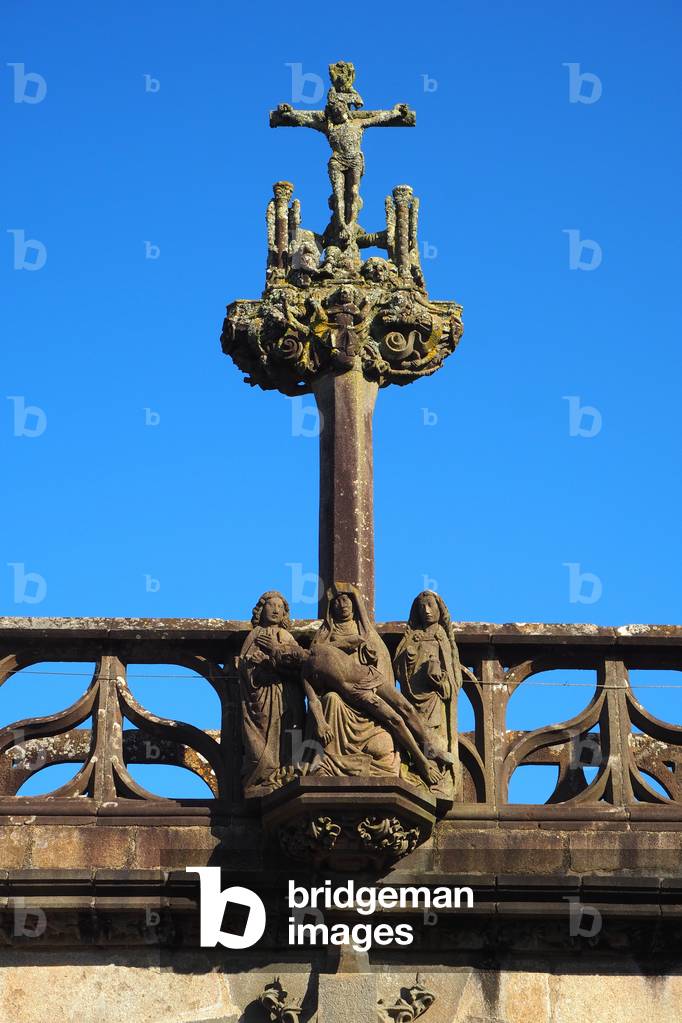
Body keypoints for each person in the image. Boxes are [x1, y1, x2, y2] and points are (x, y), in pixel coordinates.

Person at [237, 591, 304, 790]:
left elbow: (298, 665)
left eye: (280, 607)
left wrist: (270, 662)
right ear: (261, 609)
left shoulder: (286, 636)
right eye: (271, 605)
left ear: (285, 614)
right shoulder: (254, 636)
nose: (275, 610)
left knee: (288, 736)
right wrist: (255, 670)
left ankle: (286, 774)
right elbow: (245, 669)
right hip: (260, 697)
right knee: (259, 751)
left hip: (286, 696)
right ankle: (261, 778)